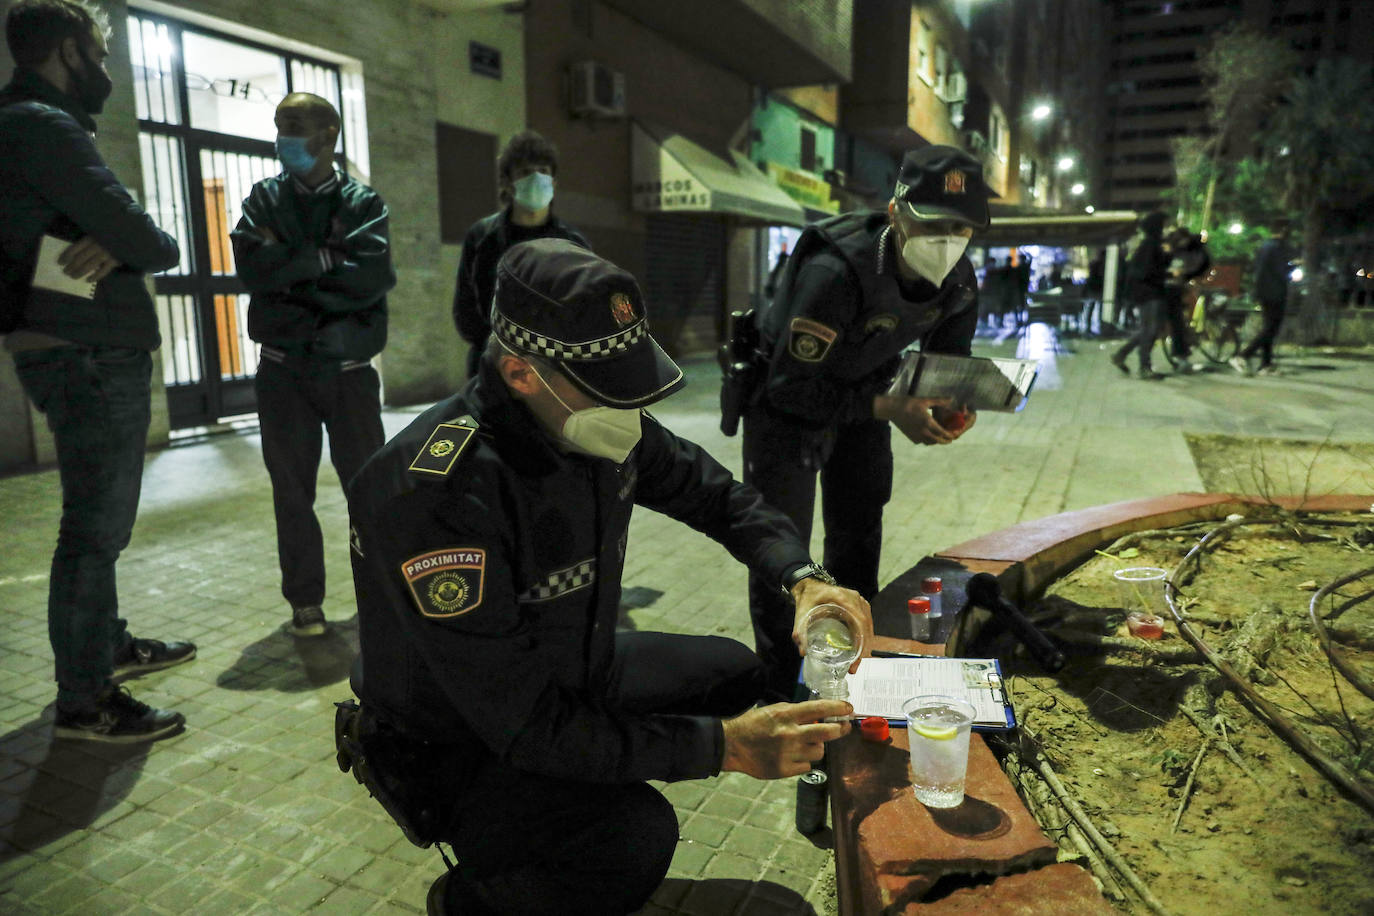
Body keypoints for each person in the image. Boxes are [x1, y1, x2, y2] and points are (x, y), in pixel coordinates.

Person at [344, 238, 872, 915]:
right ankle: (478, 896)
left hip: (564, 666)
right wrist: (725, 749)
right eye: (610, 392)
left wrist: (804, 578)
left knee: (736, 677)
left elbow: (720, 497)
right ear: (520, 372)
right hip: (460, 736)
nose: (632, 415)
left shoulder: (587, 420)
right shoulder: (434, 496)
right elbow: (526, 725)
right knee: (633, 838)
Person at [0, 0, 194, 742]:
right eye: (100, 55)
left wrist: (113, 237)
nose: (107, 71)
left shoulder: (35, 126)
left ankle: (104, 646)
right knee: (94, 529)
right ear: (67, 53)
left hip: (72, 344)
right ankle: (86, 700)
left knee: (97, 521)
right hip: (84, 350)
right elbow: (154, 241)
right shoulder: (39, 127)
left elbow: (116, 231)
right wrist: (122, 236)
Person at [739, 145, 986, 701]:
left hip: (868, 402)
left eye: (962, 227)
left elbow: (945, 368)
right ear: (896, 213)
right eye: (933, 224)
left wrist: (951, 406)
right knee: (784, 554)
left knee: (857, 534)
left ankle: (851, 670)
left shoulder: (959, 280)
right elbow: (789, 389)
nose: (947, 240)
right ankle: (782, 691)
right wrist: (888, 408)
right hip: (785, 409)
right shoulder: (836, 270)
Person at [230, 92, 394, 637]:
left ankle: (382, 593)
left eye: (295, 125)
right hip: (282, 373)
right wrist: (326, 258)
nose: (284, 137)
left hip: (347, 373)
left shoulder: (363, 204)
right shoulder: (262, 200)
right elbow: (253, 270)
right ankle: (305, 601)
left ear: (329, 135)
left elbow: (369, 278)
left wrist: (290, 269)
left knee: (369, 488)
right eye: (280, 125)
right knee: (291, 491)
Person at [451, 129, 589, 379]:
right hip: (491, 368)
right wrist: (499, 350)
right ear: (508, 182)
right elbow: (465, 309)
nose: (536, 178)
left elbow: (583, 312)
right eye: (525, 172)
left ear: (554, 182)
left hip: (552, 372)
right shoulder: (483, 237)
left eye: (543, 171)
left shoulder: (572, 244)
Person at [1111, 211, 1170, 380]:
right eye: (1164, 225)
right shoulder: (1150, 245)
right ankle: (1144, 367)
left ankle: (1121, 354)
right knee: (1150, 330)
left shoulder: (1150, 244)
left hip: (1147, 292)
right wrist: (1167, 273)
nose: (1166, 228)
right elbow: (1147, 271)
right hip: (1149, 293)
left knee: (1149, 329)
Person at [1232, 225, 1292, 376]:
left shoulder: (1264, 247)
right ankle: (1243, 355)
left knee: (1268, 327)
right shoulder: (1277, 248)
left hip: (1263, 292)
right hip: (1275, 293)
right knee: (1271, 328)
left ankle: (1266, 364)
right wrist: (1293, 267)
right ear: (1284, 232)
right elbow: (1281, 271)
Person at [1162, 226, 1210, 372]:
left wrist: (1187, 277)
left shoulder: (1183, 250)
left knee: (1177, 322)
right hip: (1174, 288)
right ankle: (1182, 353)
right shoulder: (1186, 248)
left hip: (1174, 288)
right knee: (1177, 322)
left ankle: (1182, 352)